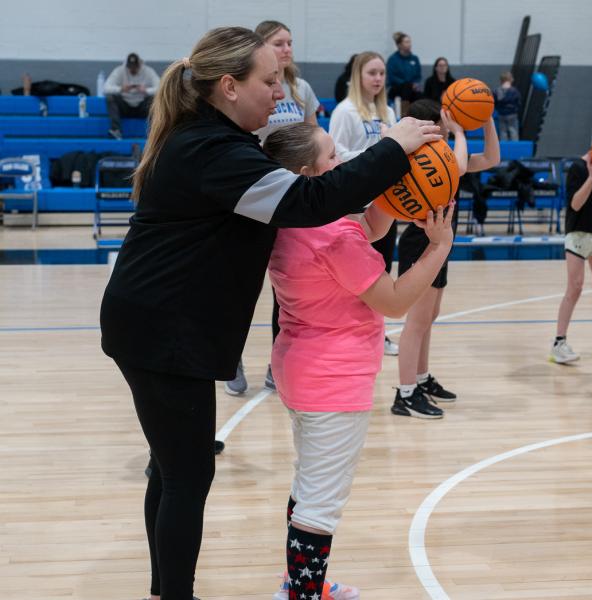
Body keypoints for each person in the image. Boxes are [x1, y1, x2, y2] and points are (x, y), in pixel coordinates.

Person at [99, 26, 442, 600]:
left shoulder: (213, 141)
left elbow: (327, 204)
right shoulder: (215, 152)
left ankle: (165, 590)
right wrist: (395, 148)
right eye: (268, 80)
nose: (279, 92)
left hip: (156, 321)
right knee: (187, 475)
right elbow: (312, 199)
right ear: (228, 87)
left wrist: (386, 187)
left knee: (171, 468)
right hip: (162, 329)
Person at [264, 122, 455, 600]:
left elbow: (369, 225)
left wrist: (390, 198)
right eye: (332, 156)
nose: (345, 163)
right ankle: (302, 594)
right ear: (308, 174)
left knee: (309, 484)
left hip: (301, 368)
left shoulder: (295, 219)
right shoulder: (333, 238)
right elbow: (392, 301)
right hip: (334, 379)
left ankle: (300, 582)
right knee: (321, 503)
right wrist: (438, 247)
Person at [225, 19, 321, 396]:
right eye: (279, 43)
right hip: (255, 194)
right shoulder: (251, 95)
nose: (287, 50)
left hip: (292, 197)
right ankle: (229, 358)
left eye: (290, 43)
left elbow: (315, 140)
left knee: (289, 291)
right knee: (240, 287)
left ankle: (276, 363)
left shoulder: (301, 89)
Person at [393, 99, 500, 418]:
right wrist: (459, 131)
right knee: (416, 322)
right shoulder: (420, 157)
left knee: (430, 316)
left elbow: (492, 159)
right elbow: (461, 166)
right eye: (442, 128)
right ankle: (405, 393)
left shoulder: (443, 156)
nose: (445, 133)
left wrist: (487, 118)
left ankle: (421, 379)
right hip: (420, 241)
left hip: (440, 240)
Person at [329, 51, 399, 355]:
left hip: (385, 202)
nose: (378, 79)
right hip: (355, 205)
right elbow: (335, 157)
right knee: (354, 274)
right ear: (358, 75)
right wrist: (376, 157)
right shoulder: (345, 111)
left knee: (381, 270)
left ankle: (377, 332)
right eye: (372, 73)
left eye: (382, 73)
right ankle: (347, 331)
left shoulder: (388, 112)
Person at [550, 134, 592, 363]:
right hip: (578, 234)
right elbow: (575, 204)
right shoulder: (577, 168)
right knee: (575, 287)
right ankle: (559, 343)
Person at [103, 52, 160, 140]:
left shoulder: (148, 71)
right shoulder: (119, 71)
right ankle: (116, 130)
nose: (132, 70)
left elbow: (161, 88)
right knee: (110, 97)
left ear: (140, 65)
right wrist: (121, 89)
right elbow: (106, 88)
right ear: (127, 65)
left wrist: (146, 91)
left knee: (154, 99)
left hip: (142, 107)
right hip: (124, 106)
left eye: (135, 67)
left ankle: (154, 131)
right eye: (130, 67)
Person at [386, 32, 422, 104]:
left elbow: (418, 75)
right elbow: (391, 77)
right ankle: (404, 110)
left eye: (409, 42)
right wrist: (406, 84)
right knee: (406, 87)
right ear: (399, 45)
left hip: (412, 88)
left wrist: (415, 84)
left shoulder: (415, 59)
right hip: (396, 88)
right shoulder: (393, 59)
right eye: (406, 42)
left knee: (420, 95)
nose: (409, 44)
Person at [493, 72, 521, 141]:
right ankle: (515, 147)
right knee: (513, 130)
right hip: (512, 114)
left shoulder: (496, 91)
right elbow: (518, 102)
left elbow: (494, 102)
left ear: (501, 80)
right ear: (511, 79)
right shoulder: (514, 91)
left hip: (501, 113)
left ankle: (504, 147)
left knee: (503, 131)